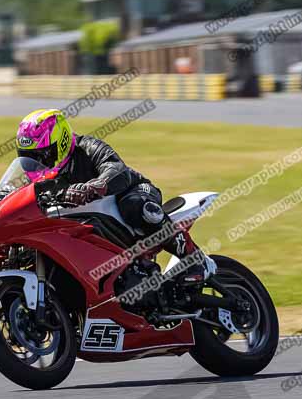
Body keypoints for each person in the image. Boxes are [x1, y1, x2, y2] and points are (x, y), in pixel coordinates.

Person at [15, 108, 206, 286]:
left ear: (62, 141)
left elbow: (117, 169)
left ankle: (194, 259)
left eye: (42, 155)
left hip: (131, 191)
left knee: (135, 206)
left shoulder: (87, 147)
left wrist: (95, 186)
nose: (36, 164)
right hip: (87, 224)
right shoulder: (38, 177)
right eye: (29, 157)